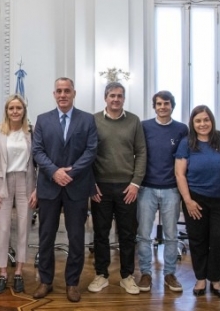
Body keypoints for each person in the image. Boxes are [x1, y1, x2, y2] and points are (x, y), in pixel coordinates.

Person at [31, 77, 97, 303]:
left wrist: (71, 172)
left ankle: (72, 283)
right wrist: (54, 172)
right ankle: (45, 281)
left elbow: (91, 151)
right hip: (49, 187)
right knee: (46, 237)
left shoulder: (87, 120)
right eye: (58, 91)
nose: (62, 95)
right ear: (54, 94)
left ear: (74, 93)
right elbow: (37, 151)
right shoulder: (42, 120)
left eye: (66, 91)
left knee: (76, 238)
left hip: (77, 187)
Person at [89, 82, 147, 295]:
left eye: (119, 96)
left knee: (127, 233)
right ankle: (101, 274)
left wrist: (135, 183)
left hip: (127, 187)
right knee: (101, 233)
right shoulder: (93, 120)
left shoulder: (133, 121)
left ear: (124, 98)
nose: (115, 99)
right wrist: (91, 183)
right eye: (112, 95)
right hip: (100, 187)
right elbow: (88, 154)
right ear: (105, 97)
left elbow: (141, 152)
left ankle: (127, 276)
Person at [174, 105, 220, 299]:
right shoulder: (186, 143)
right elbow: (179, 173)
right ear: (193, 123)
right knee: (198, 240)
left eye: (206, 120)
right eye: (198, 120)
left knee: (219, 240)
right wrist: (188, 200)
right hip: (195, 199)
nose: (202, 124)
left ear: (212, 121)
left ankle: (215, 279)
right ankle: (200, 278)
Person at [136, 90, 189, 293]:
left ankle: (169, 274)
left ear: (172, 106)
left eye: (166, 103)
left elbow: (185, 158)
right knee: (143, 235)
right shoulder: (144, 126)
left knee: (171, 235)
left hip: (171, 189)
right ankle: (146, 274)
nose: (163, 107)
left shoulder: (181, 129)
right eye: (159, 103)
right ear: (154, 106)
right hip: (147, 187)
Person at [0, 94, 36, 294]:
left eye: (18, 108)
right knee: (3, 228)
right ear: (6, 111)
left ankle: (19, 272)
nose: (15, 111)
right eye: (11, 108)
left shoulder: (31, 132)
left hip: (26, 181)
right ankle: (3, 272)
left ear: (24, 111)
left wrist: (37, 189)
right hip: (2, 182)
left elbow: (37, 163)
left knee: (24, 227)